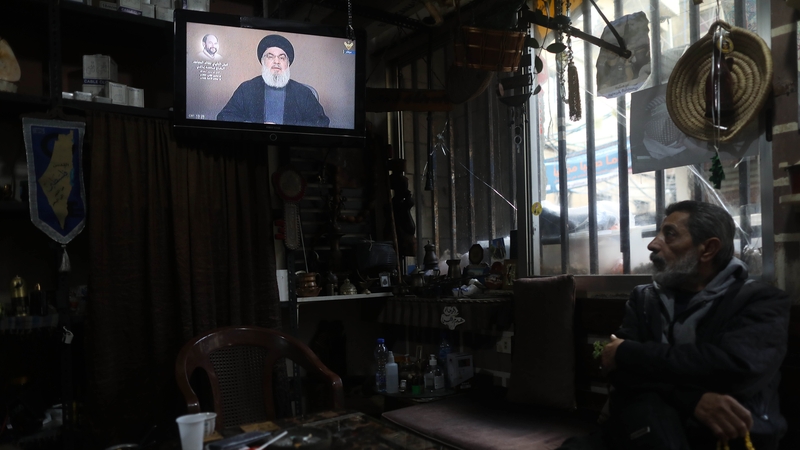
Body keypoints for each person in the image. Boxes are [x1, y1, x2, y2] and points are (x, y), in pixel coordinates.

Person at [593, 200, 791, 450]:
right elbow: (617, 370)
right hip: (645, 431)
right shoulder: (644, 298)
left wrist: (629, 352)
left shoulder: (760, 301)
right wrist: (692, 399)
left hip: (727, 439)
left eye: (670, 235)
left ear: (708, 249)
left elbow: (734, 368)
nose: (653, 244)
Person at [216, 34, 329, 127]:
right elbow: (224, 117)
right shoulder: (247, 89)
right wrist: (257, 127)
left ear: (287, 64)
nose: (276, 61)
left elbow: (321, 122)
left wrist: (284, 128)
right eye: (270, 56)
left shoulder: (303, 92)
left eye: (282, 57)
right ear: (263, 61)